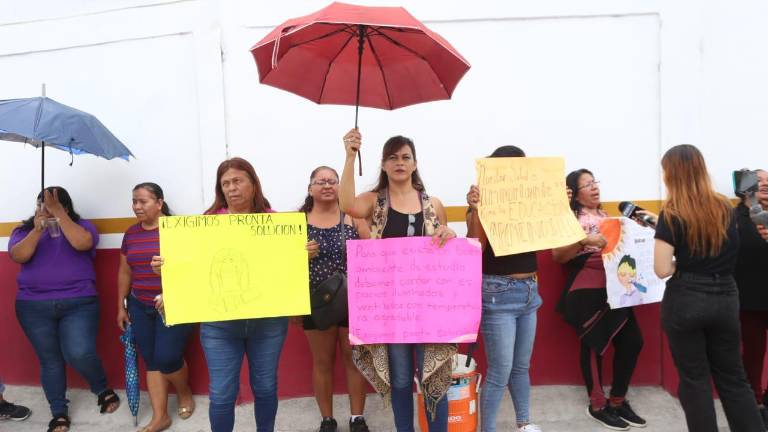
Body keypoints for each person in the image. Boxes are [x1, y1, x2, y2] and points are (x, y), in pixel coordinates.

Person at [152, 157, 309, 432]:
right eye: (225, 183)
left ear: (253, 183)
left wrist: (302, 254)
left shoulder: (276, 223)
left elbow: (284, 269)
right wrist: (167, 274)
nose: (231, 188)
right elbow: (194, 268)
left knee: (266, 386)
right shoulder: (207, 223)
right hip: (220, 325)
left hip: (268, 322)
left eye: (237, 181)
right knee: (223, 393)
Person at [339, 129, 457, 432]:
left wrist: (451, 234)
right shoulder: (374, 202)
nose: (399, 162)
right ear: (383, 165)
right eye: (393, 157)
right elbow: (346, 204)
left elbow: (447, 249)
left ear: (415, 164)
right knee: (402, 380)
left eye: (406, 157)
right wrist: (350, 156)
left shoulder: (434, 204)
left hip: (429, 311)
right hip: (392, 312)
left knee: (435, 380)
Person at [654, 145, 764, 432]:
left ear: (671, 174)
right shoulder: (725, 209)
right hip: (726, 297)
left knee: (695, 381)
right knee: (734, 379)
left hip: (686, 299)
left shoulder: (672, 212)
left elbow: (662, 268)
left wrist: (687, 265)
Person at [8, 186, 120, 432]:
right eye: (43, 205)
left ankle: (101, 387)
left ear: (67, 206)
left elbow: (82, 243)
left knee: (80, 353)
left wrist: (60, 215)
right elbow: (19, 256)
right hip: (33, 306)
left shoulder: (83, 227)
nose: (47, 209)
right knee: (50, 361)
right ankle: (58, 411)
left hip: (78, 302)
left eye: (55, 205)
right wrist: (37, 230)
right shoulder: (23, 231)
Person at [552, 170, 645, 431]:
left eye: (595, 183)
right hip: (587, 288)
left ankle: (617, 400)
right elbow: (558, 256)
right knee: (595, 344)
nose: (594, 188)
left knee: (633, 341)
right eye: (587, 185)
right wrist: (584, 239)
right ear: (575, 192)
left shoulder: (608, 217)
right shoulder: (569, 218)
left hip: (617, 287)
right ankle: (597, 405)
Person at [465, 146, 542, 432]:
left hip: (529, 293)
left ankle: (524, 422)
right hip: (497, 293)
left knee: (521, 367)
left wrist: (558, 205)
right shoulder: (484, 202)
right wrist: (475, 209)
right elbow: (475, 247)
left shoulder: (531, 203)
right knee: (500, 371)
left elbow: (553, 236)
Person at [117, 183, 196, 432]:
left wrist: (170, 285)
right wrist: (121, 306)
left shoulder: (176, 230)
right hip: (140, 304)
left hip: (175, 303)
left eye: (143, 201)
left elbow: (194, 268)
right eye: (134, 201)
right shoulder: (131, 234)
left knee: (168, 357)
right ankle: (160, 417)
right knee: (151, 359)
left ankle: (184, 393)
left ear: (159, 203)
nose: (137, 206)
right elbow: (125, 271)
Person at [297, 166, 371, 432]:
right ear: (310, 188)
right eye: (321, 181)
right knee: (322, 362)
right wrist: (298, 256)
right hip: (314, 301)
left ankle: (357, 417)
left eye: (332, 181)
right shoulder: (297, 222)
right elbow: (278, 265)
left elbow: (374, 251)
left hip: (354, 300)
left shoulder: (353, 218)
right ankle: (327, 419)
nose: (327, 185)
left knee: (354, 359)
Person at [735, 169, 768, 427]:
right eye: (759, 180)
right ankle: (754, 403)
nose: (765, 184)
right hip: (747, 300)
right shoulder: (733, 217)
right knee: (753, 355)